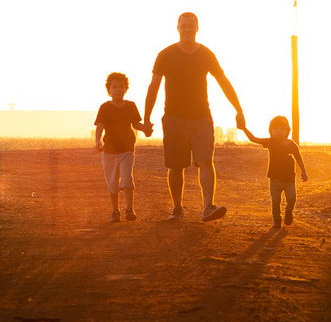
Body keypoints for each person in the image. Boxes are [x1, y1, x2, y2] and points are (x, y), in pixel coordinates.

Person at [142, 12, 245, 221]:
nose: (187, 29)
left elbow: (223, 81)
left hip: (201, 118)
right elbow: (153, 87)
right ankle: (177, 208)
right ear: (178, 28)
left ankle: (208, 207)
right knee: (176, 166)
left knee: (206, 160)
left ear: (197, 28)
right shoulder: (165, 55)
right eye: (184, 26)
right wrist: (146, 118)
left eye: (191, 26)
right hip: (174, 118)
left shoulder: (206, 54)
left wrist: (239, 109)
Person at [94, 72, 146, 221]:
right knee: (112, 181)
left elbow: (136, 124)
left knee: (127, 179)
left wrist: (146, 129)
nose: (118, 90)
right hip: (109, 151)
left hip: (127, 150)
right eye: (115, 87)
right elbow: (100, 126)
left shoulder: (131, 106)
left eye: (121, 87)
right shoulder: (104, 107)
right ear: (109, 90)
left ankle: (130, 209)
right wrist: (97, 141)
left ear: (126, 89)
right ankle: (115, 211)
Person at [239, 115, 308, 227]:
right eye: (275, 129)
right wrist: (244, 129)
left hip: (289, 179)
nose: (279, 131)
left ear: (287, 131)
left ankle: (288, 211)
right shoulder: (270, 142)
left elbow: (299, 158)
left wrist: (304, 172)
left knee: (292, 198)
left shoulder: (292, 145)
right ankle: (276, 220)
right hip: (274, 179)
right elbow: (254, 139)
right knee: (275, 201)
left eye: (282, 129)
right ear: (271, 131)